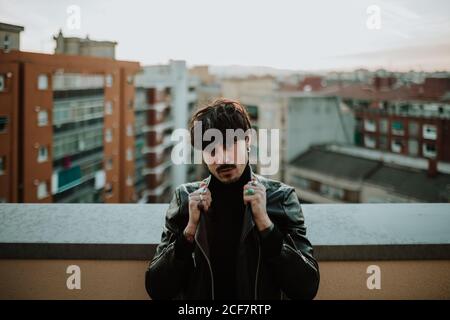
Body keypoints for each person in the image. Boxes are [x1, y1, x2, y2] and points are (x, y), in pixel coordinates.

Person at [145, 98, 320, 300]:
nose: (222, 159)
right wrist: (189, 231)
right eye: (211, 150)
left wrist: (265, 224)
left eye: (229, 146)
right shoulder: (185, 199)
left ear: (247, 140)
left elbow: (306, 288)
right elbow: (157, 290)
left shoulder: (279, 197)